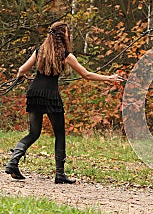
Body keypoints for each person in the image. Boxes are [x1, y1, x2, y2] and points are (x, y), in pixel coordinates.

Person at [5, 21, 123, 184]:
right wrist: (108, 78)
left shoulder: (39, 51)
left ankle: (13, 162)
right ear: (63, 36)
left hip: (34, 93)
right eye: (68, 33)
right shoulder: (66, 55)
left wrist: (21, 77)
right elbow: (86, 75)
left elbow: (21, 70)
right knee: (59, 134)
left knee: (34, 133)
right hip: (51, 96)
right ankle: (59, 174)